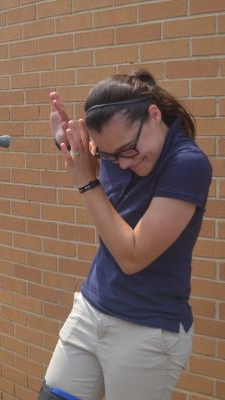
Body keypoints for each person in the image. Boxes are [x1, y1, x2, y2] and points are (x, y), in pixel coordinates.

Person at [39, 69, 212, 400]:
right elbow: (88, 156)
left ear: (154, 114)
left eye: (128, 150)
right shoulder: (115, 152)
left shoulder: (188, 164)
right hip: (92, 308)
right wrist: (65, 142)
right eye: (109, 155)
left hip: (147, 329)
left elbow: (133, 256)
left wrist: (87, 183)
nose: (123, 164)